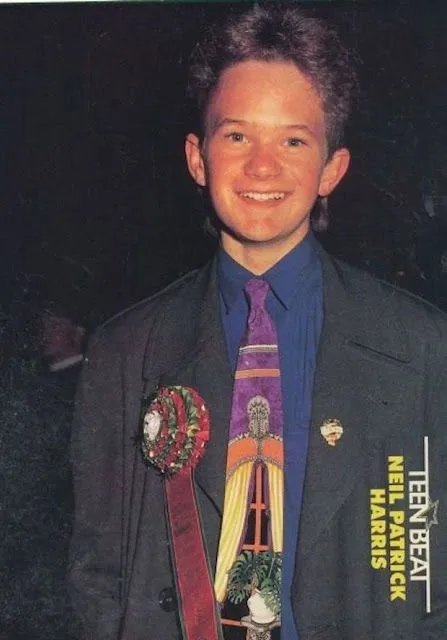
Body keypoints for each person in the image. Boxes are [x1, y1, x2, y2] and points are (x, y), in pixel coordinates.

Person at [69, 5, 447, 640]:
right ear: (198, 158)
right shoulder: (124, 354)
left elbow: (432, 576)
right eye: (237, 136)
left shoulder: (422, 350)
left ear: (332, 169)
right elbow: (99, 580)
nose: (262, 166)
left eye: (293, 140)